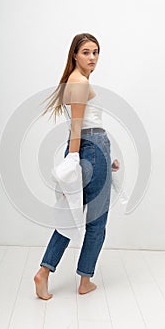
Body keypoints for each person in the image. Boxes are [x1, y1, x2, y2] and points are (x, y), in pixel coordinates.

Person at [34, 33, 119, 300]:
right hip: (90, 149)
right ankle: (85, 280)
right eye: (86, 52)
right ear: (74, 55)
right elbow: (77, 126)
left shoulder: (74, 80)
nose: (92, 57)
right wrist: (74, 159)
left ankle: (44, 272)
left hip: (91, 150)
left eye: (95, 52)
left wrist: (100, 157)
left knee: (70, 216)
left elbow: (83, 127)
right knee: (97, 222)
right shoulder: (80, 82)